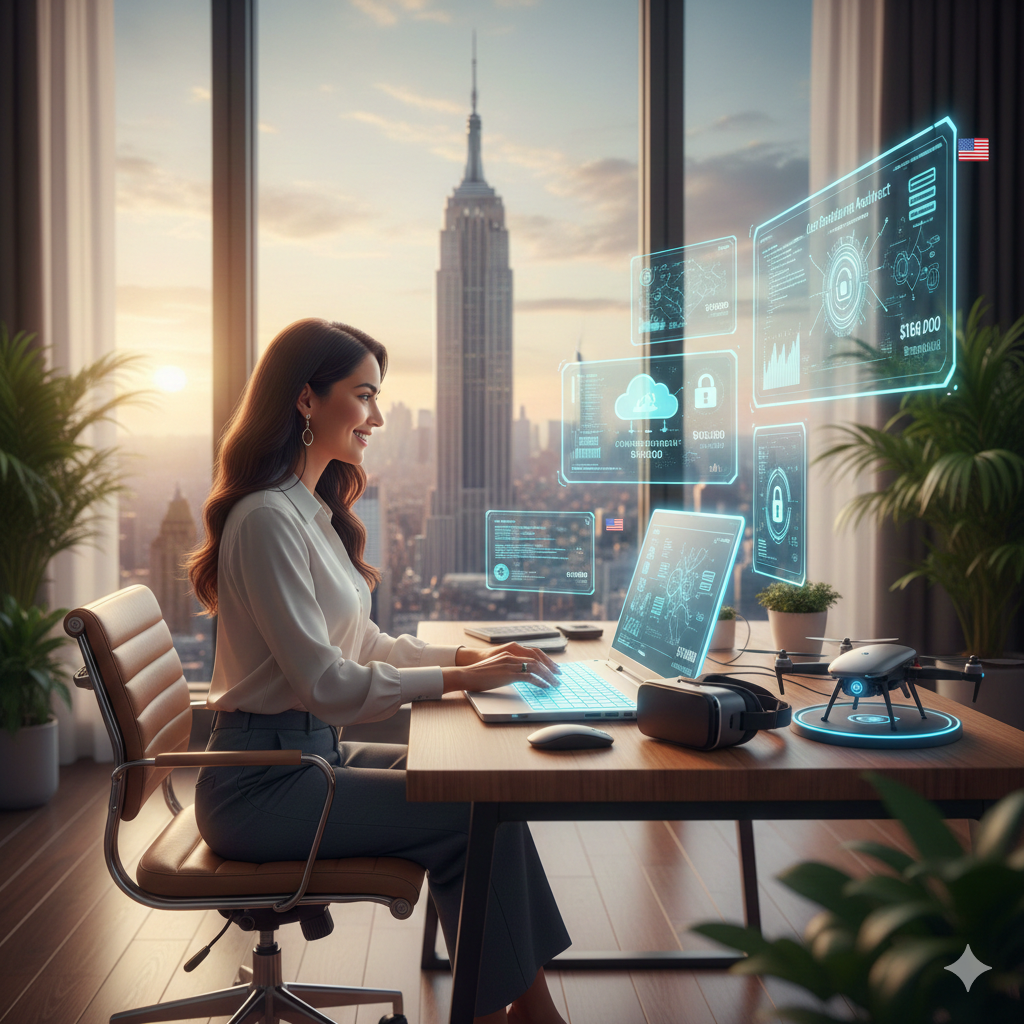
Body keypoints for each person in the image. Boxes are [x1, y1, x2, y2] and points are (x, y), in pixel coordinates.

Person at [186, 318, 571, 1024]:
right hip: (258, 787)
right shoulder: (266, 520)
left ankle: (532, 1013)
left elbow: (361, 641)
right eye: (364, 395)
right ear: (307, 400)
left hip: (307, 758)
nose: (378, 416)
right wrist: (461, 683)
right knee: (468, 815)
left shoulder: (309, 512)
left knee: (486, 794)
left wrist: (465, 659)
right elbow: (327, 684)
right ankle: (526, 1016)